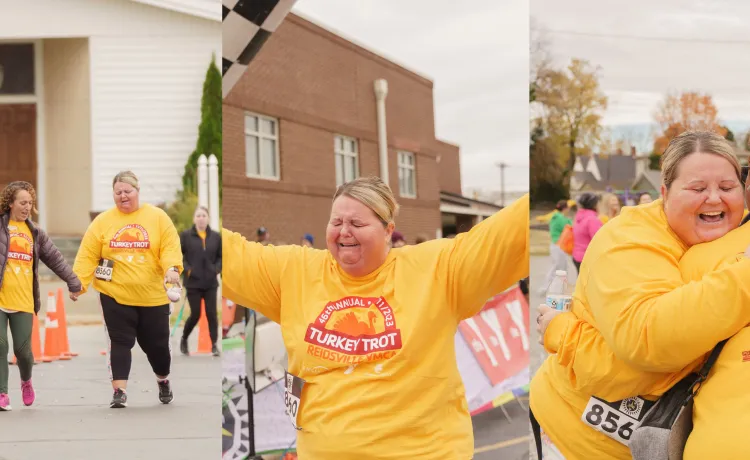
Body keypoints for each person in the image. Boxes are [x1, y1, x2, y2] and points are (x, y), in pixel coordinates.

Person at [222, 176, 529, 459]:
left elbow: (510, 233)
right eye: (336, 221)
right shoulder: (295, 272)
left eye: (356, 222)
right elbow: (227, 254)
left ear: (388, 230)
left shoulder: (437, 268)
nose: (344, 231)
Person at [530, 131, 750, 459]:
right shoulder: (628, 240)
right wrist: (560, 333)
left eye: (727, 188)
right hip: (571, 437)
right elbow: (649, 342)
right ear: (664, 192)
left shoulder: (726, 240)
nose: (715, 199)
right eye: (697, 188)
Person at [72, 171, 183, 409]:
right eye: (118, 192)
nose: (123, 196)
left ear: (137, 191)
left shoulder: (158, 217)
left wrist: (172, 269)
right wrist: (78, 284)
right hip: (115, 295)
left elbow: (170, 248)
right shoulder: (102, 222)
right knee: (119, 341)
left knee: (158, 347)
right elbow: (88, 255)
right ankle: (119, 391)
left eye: (127, 191)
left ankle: (163, 379)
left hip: (153, 297)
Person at [0, 182, 82, 411]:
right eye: (23, 202)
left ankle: (26, 381)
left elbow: (55, 259)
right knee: (0, 345)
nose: (27, 207)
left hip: (23, 300)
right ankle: (2, 393)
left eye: (30, 203)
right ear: (10, 203)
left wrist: (73, 281)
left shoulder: (34, 232)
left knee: (23, 351)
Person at [179, 206, 222, 357]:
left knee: (212, 314)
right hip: (193, 283)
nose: (201, 218)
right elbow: (179, 255)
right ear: (194, 219)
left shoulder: (216, 237)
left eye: (204, 215)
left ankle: (214, 345)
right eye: (198, 215)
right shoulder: (185, 236)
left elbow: (221, 257)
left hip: (210, 282)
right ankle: (184, 339)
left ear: (208, 218)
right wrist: (187, 269)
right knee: (195, 314)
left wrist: (216, 269)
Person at [540, 199, 572, 293]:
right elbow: (569, 227)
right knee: (558, 267)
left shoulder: (554, 216)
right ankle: (546, 287)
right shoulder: (561, 218)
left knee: (562, 267)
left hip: (555, 244)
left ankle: (560, 287)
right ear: (565, 208)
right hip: (559, 245)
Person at [571, 193, 603, 272]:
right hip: (587, 258)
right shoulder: (592, 220)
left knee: (582, 282)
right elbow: (599, 240)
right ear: (595, 205)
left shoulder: (579, 217)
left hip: (577, 256)